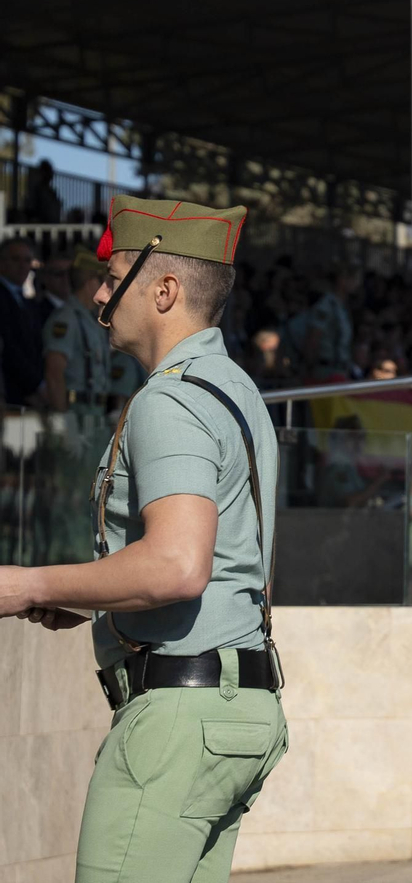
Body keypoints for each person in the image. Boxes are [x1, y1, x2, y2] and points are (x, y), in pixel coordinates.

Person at [0, 194, 286, 881]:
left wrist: (27, 584)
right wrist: (100, 598)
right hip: (238, 708)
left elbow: (177, 565)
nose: (99, 293)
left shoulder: (173, 398)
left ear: (162, 290)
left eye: (113, 275)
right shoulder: (236, 388)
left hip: (177, 719)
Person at [42, 249, 112, 415]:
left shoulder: (92, 319)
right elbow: (54, 373)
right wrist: (64, 422)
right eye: (103, 281)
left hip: (95, 412)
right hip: (75, 412)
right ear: (90, 283)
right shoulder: (66, 319)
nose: (108, 288)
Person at [0, 236, 46, 405]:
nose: (22, 266)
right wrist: (36, 385)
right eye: (16, 259)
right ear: (2, 262)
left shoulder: (27, 301)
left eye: (27, 260)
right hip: (11, 396)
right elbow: (9, 349)